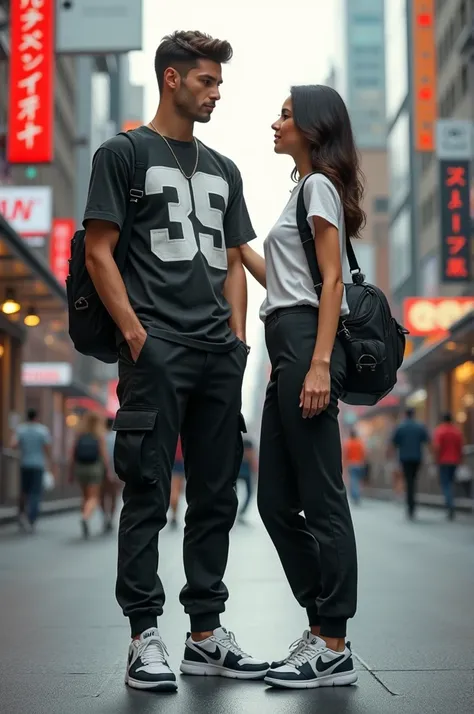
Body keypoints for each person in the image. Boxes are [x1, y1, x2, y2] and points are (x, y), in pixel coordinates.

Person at [82, 30, 268, 691]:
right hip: (156, 349)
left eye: (218, 83)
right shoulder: (122, 153)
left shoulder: (224, 168)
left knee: (215, 496)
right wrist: (136, 335)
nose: (217, 92)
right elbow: (97, 251)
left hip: (218, 353)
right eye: (207, 81)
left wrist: (238, 340)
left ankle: (205, 635)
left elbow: (235, 259)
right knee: (147, 495)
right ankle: (143, 637)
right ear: (171, 79)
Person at [240, 85, 362, 690]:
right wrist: (239, 244)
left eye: (286, 114)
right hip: (286, 337)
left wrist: (317, 363)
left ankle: (333, 641)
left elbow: (332, 279)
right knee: (273, 500)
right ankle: (322, 628)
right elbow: (284, 280)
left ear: (312, 127)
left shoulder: (318, 188)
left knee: (322, 496)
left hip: (306, 341)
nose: (276, 122)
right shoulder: (301, 190)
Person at [69, 412, 110, 539]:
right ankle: (85, 517)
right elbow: (104, 456)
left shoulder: (80, 434)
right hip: (94, 468)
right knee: (94, 497)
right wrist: (107, 471)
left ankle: (84, 515)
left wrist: (71, 472)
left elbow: (72, 455)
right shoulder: (99, 435)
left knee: (85, 496)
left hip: (80, 468)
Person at [12, 408, 52, 532]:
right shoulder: (42, 430)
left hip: (25, 464)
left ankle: (21, 515)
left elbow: (13, 444)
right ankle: (32, 518)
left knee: (24, 491)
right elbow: (47, 448)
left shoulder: (21, 429)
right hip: (38, 465)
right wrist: (49, 463)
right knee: (35, 492)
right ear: (36, 417)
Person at [390, 408, 430, 520]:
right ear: (414, 414)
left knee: (409, 481)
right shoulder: (420, 426)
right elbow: (427, 441)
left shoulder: (400, 427)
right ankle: (412, 504)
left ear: (405, 415)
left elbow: (393, 443)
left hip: (405, 459)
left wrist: (390, 456)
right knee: (413, 480)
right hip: (417, 458)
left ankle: (410, 506)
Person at [432, 413, 464, 520]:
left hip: (443, 461)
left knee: (445, 484)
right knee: (451, 483)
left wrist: (435, 460)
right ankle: (451, 503)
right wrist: (460, 460)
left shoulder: (440, 431)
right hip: (454, 461)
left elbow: (437, 447)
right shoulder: (457, 431)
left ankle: (449, 506)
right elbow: (460, 447)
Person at [100, 417, 121, 532]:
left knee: (102, 495)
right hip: (116, 471)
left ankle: (105, 516)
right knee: (113, 496)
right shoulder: (117, 437)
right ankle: (111, 519)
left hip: (102, 472)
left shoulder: (101, 437)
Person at [343, 429, 367, 505]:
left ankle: (355, 496)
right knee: (358, 480)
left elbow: (346, 455)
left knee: (353, 480)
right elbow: (364, 453)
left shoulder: (348, 444)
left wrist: (345, 464)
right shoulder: (360, 443)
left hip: (351, 464)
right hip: (359, 464)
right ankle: (357, 495)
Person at [237, 436, 256, 521]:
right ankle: (235, 511)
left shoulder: (249, 457)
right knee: (234, 493)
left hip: (246, 474)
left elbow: (254, 465)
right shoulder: (238, 455)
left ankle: (241, 513)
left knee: (249, 492)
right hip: (239, 474)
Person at [169, 437, 185, 527]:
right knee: (176, 488)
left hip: (173, 455)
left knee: (175, 488)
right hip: (180, 457)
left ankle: (174, 515)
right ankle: (174, 515)